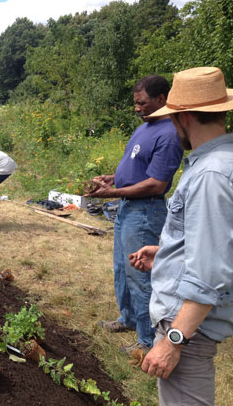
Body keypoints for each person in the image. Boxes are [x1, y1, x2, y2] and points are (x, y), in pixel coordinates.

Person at [128, 67, 233, 406]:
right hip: (193, 323)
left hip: (188, 327)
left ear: (184, 118)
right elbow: (219, 244)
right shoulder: (223, 162)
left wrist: (173, 341)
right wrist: (167, 252)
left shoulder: (210, 175)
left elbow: (210, 272)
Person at [86, 75, 183, 353]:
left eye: (142, 103)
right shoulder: (146, 127)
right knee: (122, 269)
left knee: (140, 276)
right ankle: (128, 318)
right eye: (135, 103)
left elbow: (156, 183)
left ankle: (147, 340)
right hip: (127, 207)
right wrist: (112, 179)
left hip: (145, 212)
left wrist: (111, 194)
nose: (137, 108)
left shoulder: (169, 133)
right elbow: (135, 167)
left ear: (161, 99)